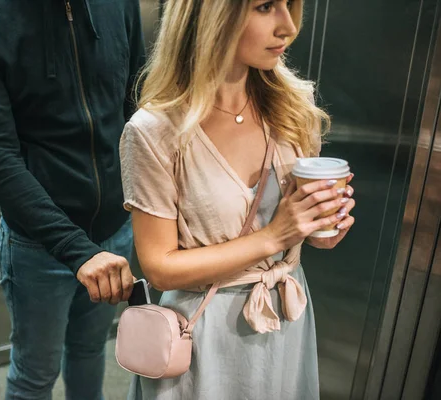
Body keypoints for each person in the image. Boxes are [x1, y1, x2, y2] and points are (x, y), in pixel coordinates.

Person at [119, 1, 356, 399]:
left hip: (287, 314)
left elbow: (299, 231)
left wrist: (321, 229)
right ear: (212, 16)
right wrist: (275, 236)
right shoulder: (154, 132)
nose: (288, 26)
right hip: (206, 335)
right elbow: (159, 267)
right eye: (265, 7)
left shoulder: (294, 110)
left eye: (289, 6)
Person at [0, 0, 145, 399]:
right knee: (34, 376)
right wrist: (75, 249)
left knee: (90, 352)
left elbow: (137, 103)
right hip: (38, 246)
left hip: (115, 230)